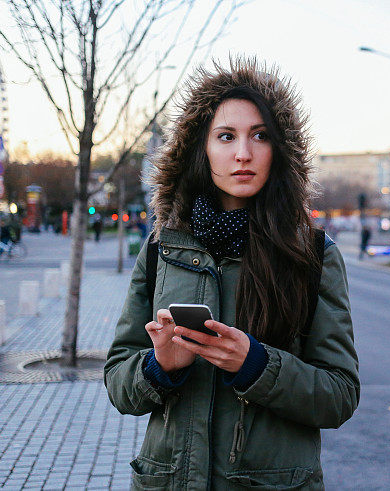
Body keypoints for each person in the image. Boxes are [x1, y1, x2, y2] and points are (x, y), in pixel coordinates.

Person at [104, 59, 360, 490]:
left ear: (279, 150)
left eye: (260, 136)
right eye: (226, 136)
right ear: (201, 149)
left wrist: (257, 365)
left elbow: (339, 396)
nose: (243, 153)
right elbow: (118, 380)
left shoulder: (314, 253)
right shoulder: (162, 247)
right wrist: (159, 366)